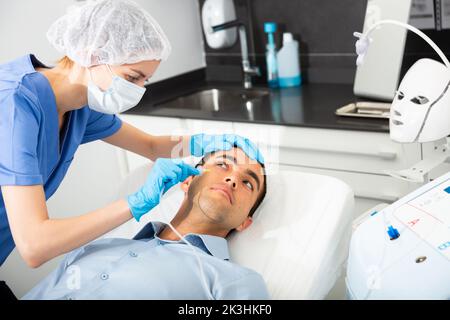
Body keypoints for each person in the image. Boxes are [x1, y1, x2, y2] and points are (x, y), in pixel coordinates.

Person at [0, 0, 264, 298]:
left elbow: (151, 146)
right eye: (132, 77)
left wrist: (201, 141)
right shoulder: (14, 104)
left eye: (145, 81)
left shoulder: (80, 105)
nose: (138, 91)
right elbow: (35, 246)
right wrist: (136, 201)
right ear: (92, 54)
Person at [23, 146, 269, 300]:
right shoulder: (98, 247)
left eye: (248, 183)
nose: (231, 178)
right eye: (222, 164)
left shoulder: (235, 280)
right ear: (186, 181)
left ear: (245, 222)